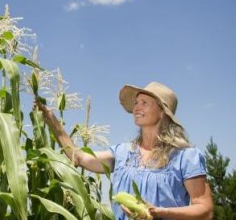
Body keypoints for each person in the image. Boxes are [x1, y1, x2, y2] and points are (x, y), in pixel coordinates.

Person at [35, 82, 213, 220]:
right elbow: (79, 156)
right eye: (136, 103)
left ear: (162, 112)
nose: (136, 107)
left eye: (144, 103)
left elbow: (205, 210)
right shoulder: (122, 153)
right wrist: (52, 121)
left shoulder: (186, 157)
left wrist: (159, 212)